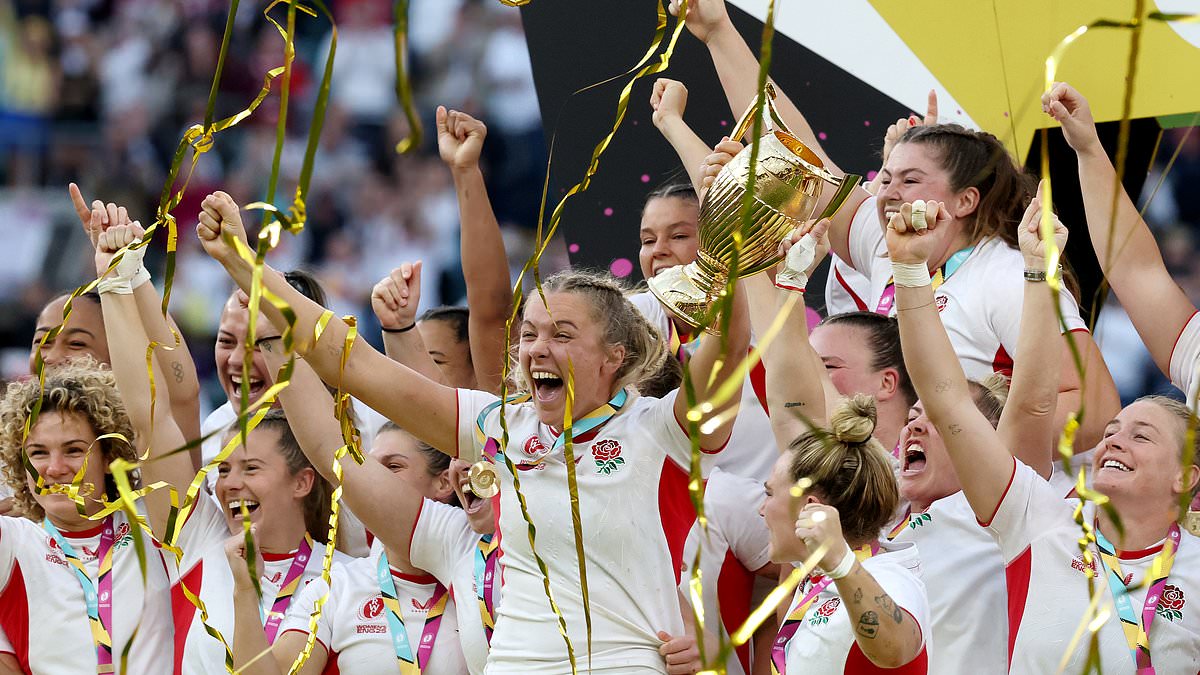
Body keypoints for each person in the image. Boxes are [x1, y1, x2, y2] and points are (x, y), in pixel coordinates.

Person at [196, 187, 749, 672]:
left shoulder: (662, 430)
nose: (536, 349)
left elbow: (727, 350)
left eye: (561, 334)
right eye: (529, 333)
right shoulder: (501, 426)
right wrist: (248, 268)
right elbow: (354, 364)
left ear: (614, 355)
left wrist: (731, 230)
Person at [676, 0, 1120, 451]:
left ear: (966, 200)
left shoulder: (1009, 277)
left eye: (911, 180)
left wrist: (965, 450)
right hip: (895, 497)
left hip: (977, 509)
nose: (888, 193)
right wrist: (718, 33)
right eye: (886, 178)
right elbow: (796, 154)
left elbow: (1096, 409)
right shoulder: (890, 246)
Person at [888, 187, 1200, 672]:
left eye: (1141, 435)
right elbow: (950, 397)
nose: (1114, 439)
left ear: (1186, 477)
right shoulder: (1041, 521)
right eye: (1113, 430)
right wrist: (909, 272)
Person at [86, 217, 345, 672]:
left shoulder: (344, 572)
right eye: (223, 470)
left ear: (304, 480)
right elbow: (153, 420)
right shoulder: (203, 536)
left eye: (250, 469)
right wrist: (117, 282)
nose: (228, 485)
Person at [885, 184, 1066, 675]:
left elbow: (1026, 403)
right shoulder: (873, 520)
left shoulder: (1000, 515)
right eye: (911, 416)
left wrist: (1036, 269)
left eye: (940, 421)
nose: (917, 423)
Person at [644, 77, 781, 482]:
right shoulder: (632, 323)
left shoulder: (764, 310)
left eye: (679, 235)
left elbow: (732, 217)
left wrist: (670, 122)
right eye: (647, 239)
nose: (658, 250)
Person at [0, 359, 175, 673]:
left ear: (109, 456)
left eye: (74, 450)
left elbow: (174, 402)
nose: (54, 469)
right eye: (38, 453)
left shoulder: (157, 529)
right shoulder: (13, 542)